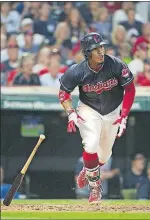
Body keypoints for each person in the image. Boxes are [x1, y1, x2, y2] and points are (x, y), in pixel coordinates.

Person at [58, 32, 135, 203]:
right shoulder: (77, 71)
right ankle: (95, 187)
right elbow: (64, 93)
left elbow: (130, 89)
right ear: (87, 52)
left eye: (102, 46)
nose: (101, 51)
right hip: (89, 109)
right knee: (91, 143)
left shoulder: (115, 64)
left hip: (113, 110)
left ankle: (88, 170)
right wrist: (71, 112)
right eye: (95, 48)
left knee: (104, 156)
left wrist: (124, 115)